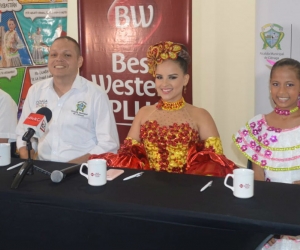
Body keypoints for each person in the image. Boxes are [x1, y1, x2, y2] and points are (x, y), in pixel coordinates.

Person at [90, 41, 236, 176]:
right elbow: (128, 157)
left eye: (172, 77)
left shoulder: (201, 115)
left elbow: (213, 164)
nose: (164, 84)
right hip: (147, 189)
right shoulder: (144, 113)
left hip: (187, 192)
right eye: (159, 77)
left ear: (185, 80)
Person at [16, 36, 119, 164]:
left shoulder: (96, 94)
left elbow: (109, 144)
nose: (59, 59)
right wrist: (29, 159)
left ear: (79, 61)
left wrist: (69, 167)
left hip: (80, 172)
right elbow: (23, 132)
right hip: (42, 169)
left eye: (67, 55)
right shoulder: (36, 91)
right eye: (53, 54)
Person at [233, 58, 300, 249]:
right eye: (276, 84)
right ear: (269, 87)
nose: (282, 91)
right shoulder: (259, 126)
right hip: (271, 212)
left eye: (290, 84)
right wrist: (263, 223)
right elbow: (258, 180)